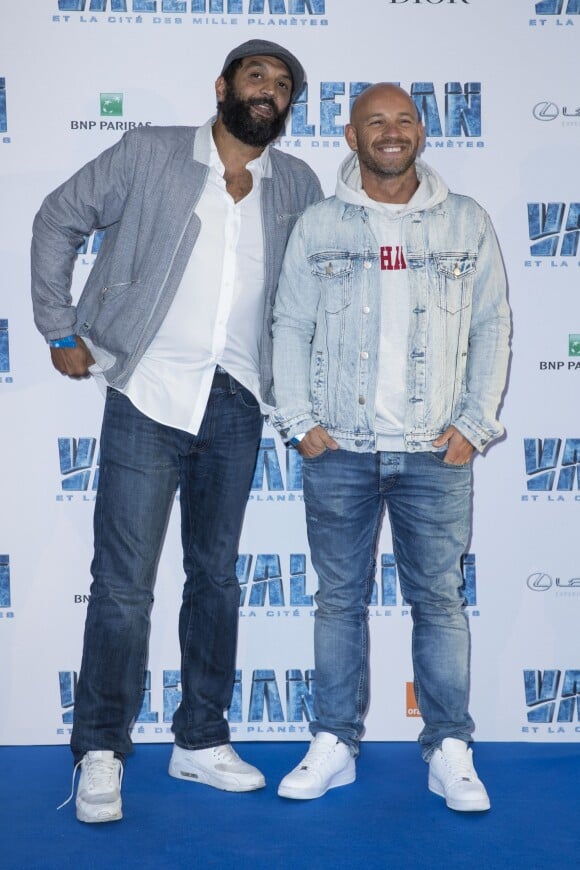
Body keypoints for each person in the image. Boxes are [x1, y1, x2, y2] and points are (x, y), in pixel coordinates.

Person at [31, 39, 322, 824]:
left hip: (236, 404)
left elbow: (309, 295)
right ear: (223, 85)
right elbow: (60, 217)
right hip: (149, 394)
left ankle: (200, 739)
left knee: (217, 582)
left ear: (290, 107)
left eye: (284, 84)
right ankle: (99, 749)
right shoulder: (152, 151)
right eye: (256, 76)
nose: (269, 90)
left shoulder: (295, 182)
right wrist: (61, 329)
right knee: (123, 589)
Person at [271, 83, 510, 811]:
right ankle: (334, 742)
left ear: (422, 132)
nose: (392, 131)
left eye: (405, 119)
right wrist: (298, 420)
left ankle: (450, 748)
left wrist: (472, 426)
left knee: (439, 602)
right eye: (375, 121)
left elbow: (491, 327)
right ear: (351, 136)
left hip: (434, 453)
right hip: (338, 447)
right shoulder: (318, 223)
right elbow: (289, 323)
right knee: (337, 601)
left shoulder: (466, 222)